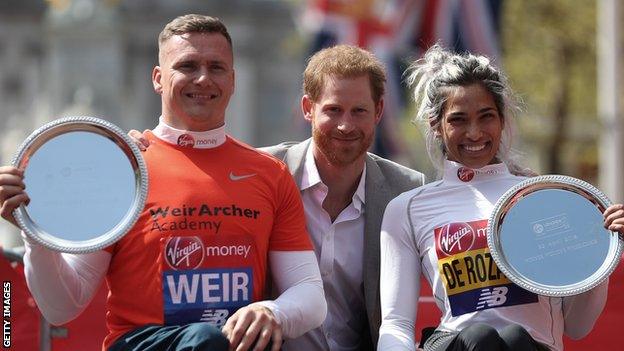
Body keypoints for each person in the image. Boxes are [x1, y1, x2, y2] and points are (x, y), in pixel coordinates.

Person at [0, 14, 326, 351]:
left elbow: (310, 295)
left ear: (233, 79)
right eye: (187, 66)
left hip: (232, 346)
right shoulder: (124, 170)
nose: (203, 78)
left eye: (216, 68)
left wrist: (272, 310)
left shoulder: (268, 173)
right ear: (158, 78)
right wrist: (33, 231)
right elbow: (61, 307)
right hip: (143, 343)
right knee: (205, 339)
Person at [131, 44, 425, 350]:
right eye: (333, 110)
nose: (345, 125)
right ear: (308, 108)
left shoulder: (406, 189)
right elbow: (189, 173)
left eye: (359, 111)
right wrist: (139, 150)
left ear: (378, 111)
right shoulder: (259, 173)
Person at [377, 45, 624, 351]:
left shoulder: (545, 198)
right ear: (436, 125)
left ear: (503, 119)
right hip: (457, 344)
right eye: (458, 120)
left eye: (486, 117)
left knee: (515, 338)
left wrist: (601, 252)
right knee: (480, 337)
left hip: (530, 346)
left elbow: (577, 326)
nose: (475, 132)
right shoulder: (408, 208)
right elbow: (396, 324)